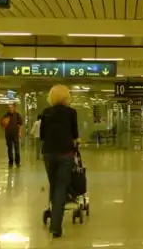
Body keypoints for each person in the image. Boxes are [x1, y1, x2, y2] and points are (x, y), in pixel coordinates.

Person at [40, 84, 79, 238]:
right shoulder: (71, 112)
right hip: (66, 153)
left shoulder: (46, 112)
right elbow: (75, 134)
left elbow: (42, 135)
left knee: (54, 185)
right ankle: (56, 226)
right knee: (62, 186)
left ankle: (54, 213)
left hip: (49, 153)